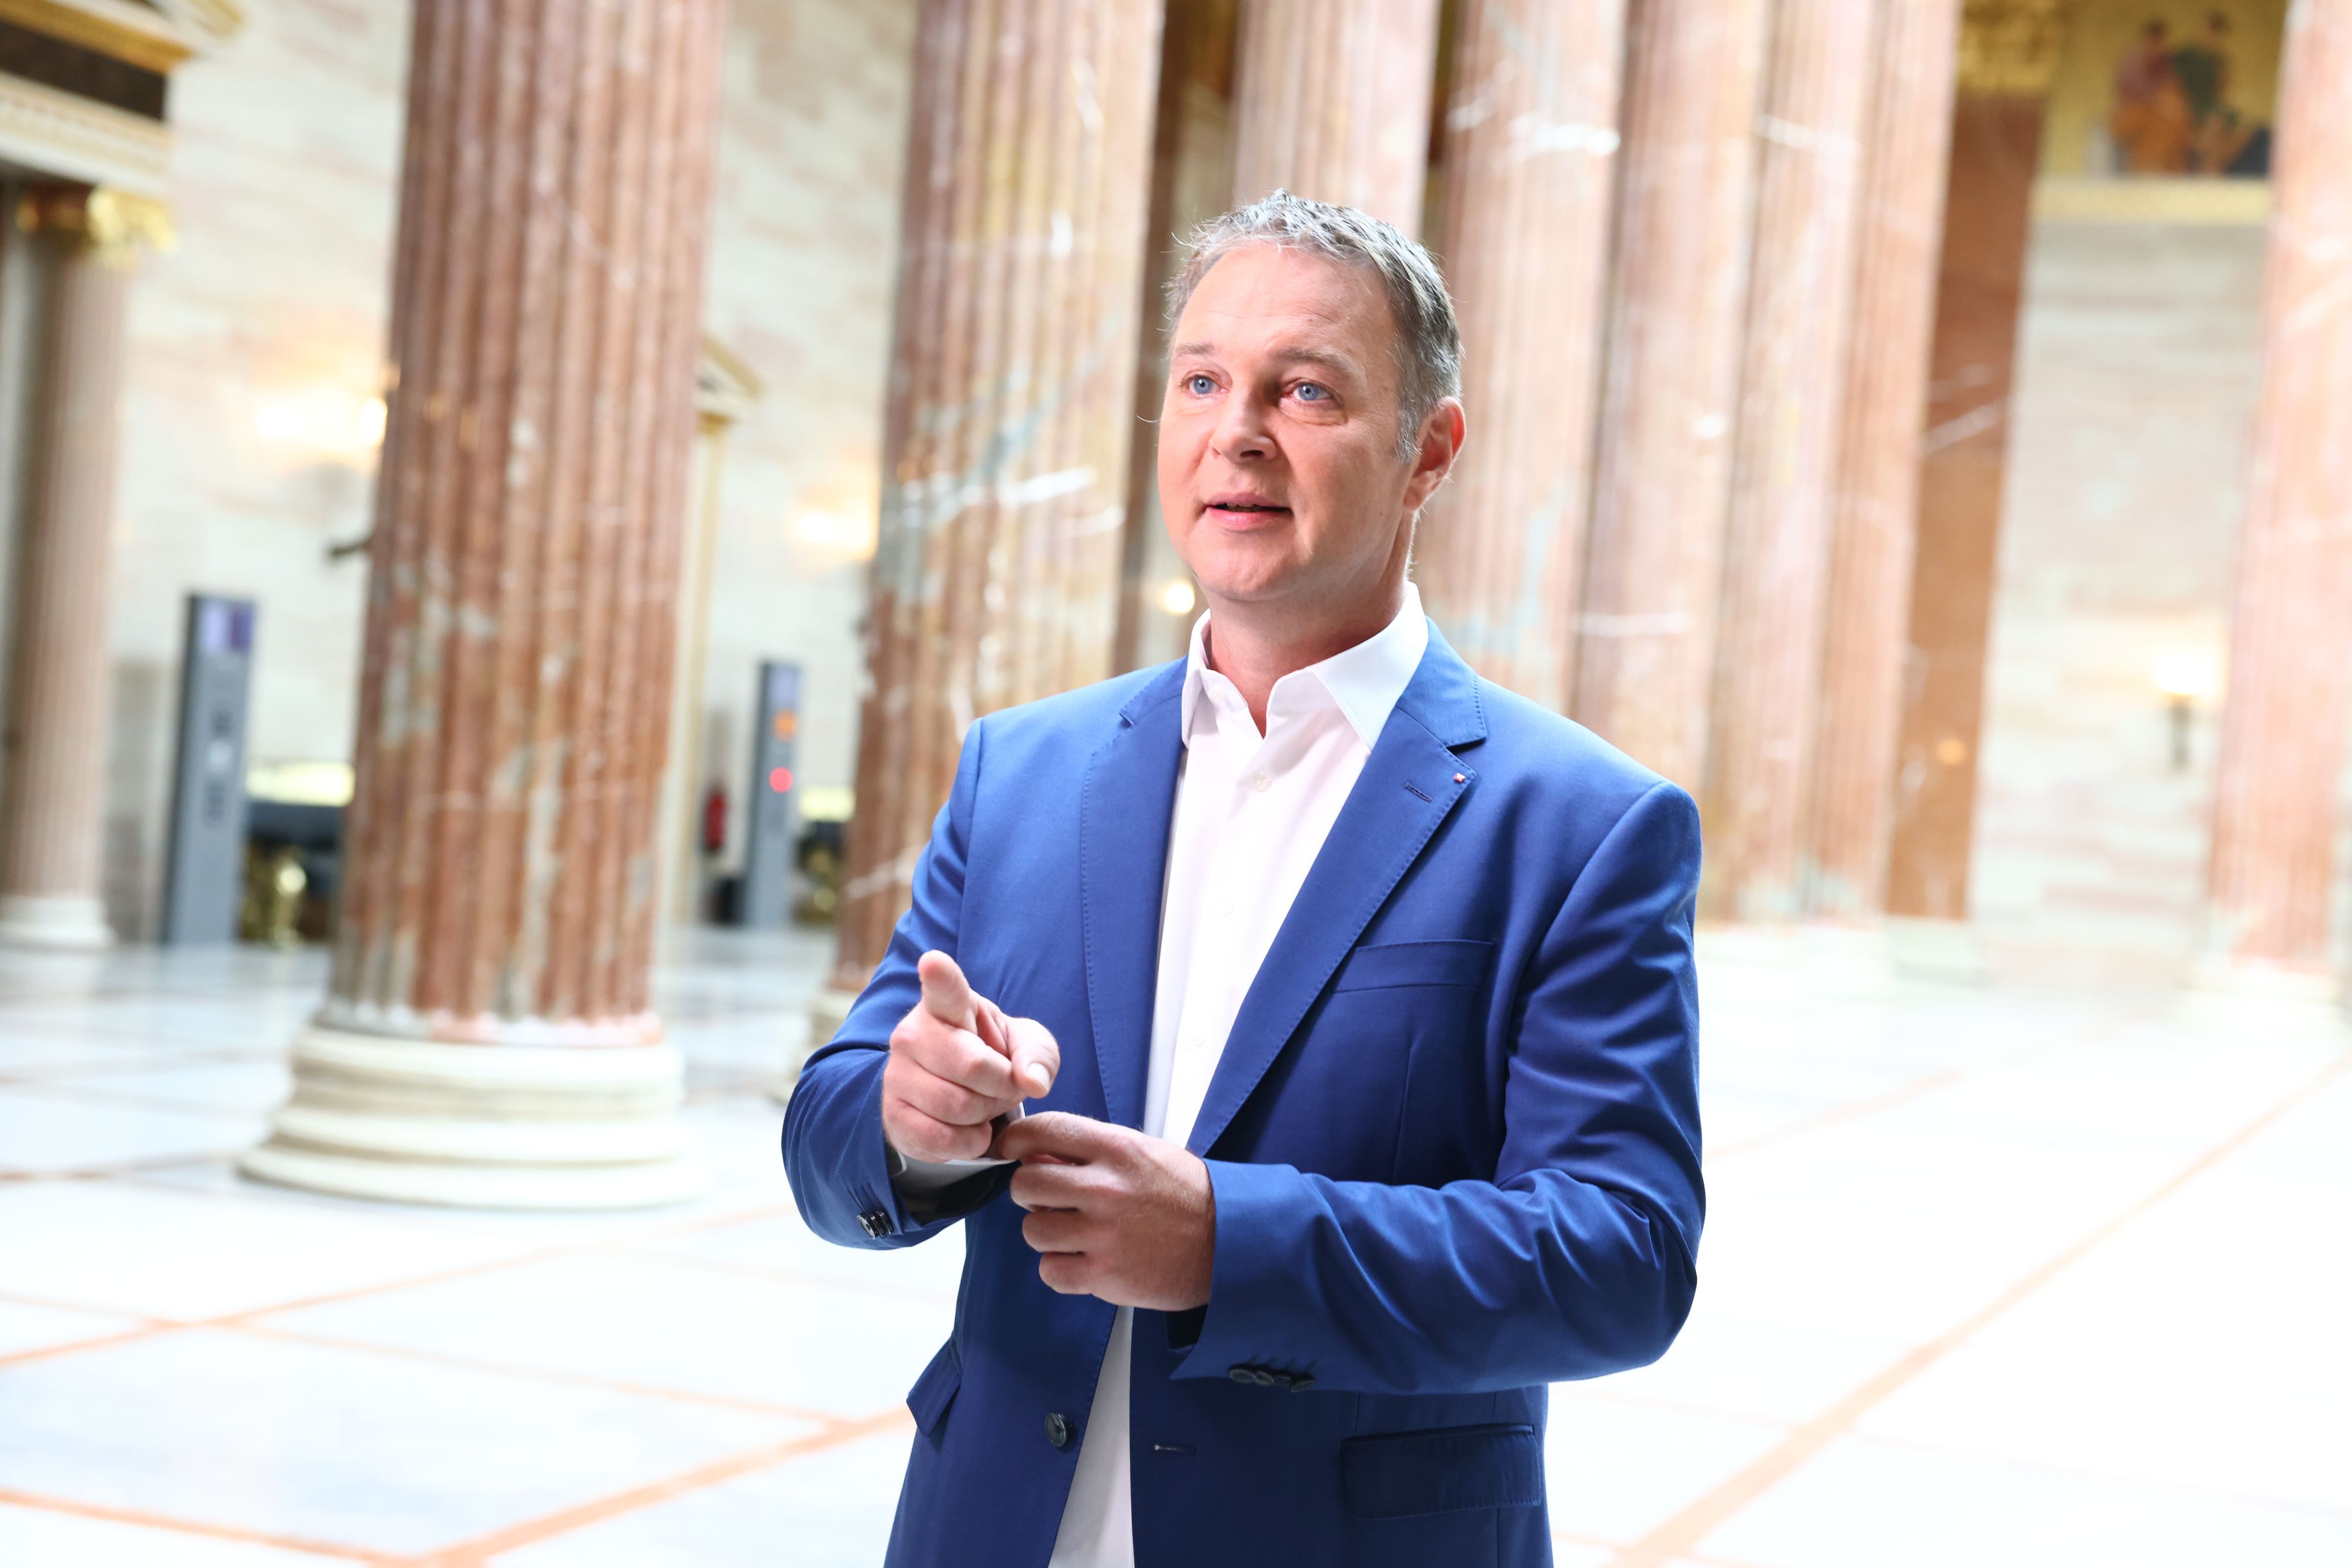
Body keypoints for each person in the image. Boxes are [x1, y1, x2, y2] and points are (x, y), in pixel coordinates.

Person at [783, 192, 1704, 1568]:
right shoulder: (1020, 767)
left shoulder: (1578, 822)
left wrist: (1229, 1239)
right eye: (1202, 378)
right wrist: (913, 1121)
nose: (1237, 429)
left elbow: (1620, 1256)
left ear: (1425, 453)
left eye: (1307, 388)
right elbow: (830, 1133)